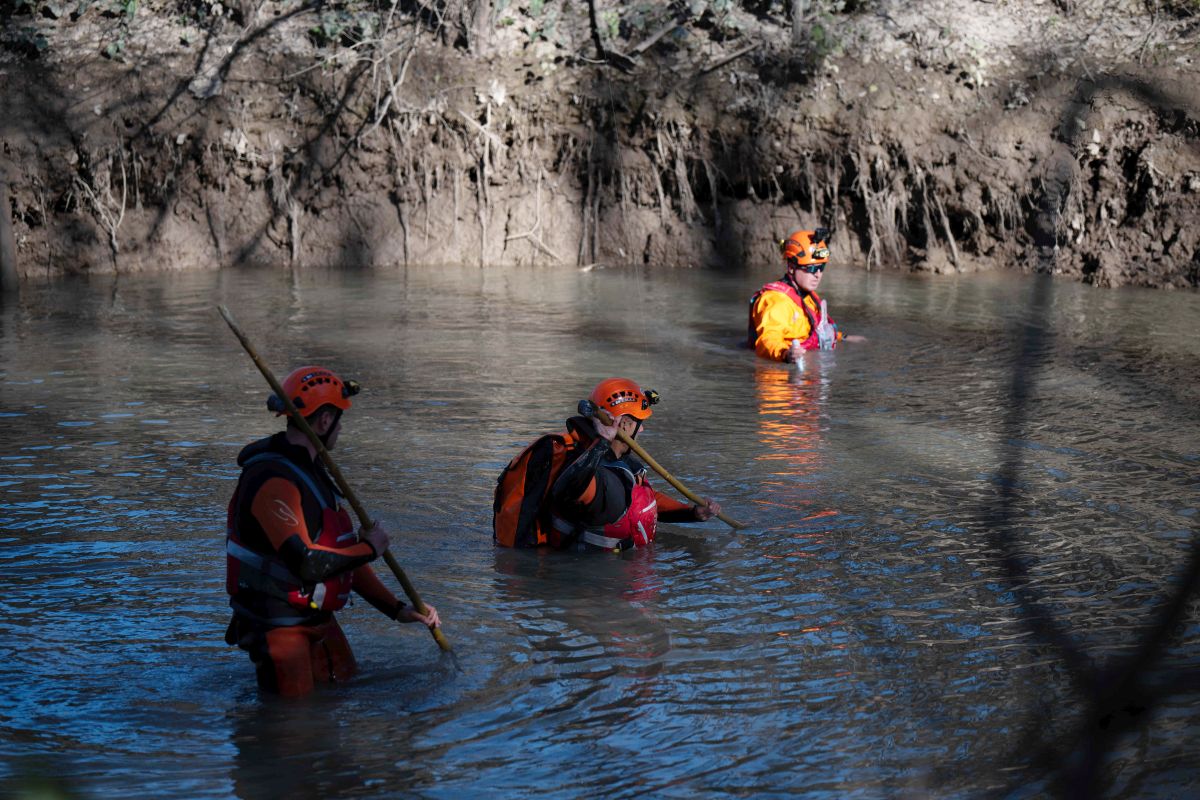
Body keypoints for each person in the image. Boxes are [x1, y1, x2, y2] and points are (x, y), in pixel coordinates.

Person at [224, 365, 440, 696]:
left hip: (313, 618)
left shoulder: (314, 473)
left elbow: (340, 555)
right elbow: (307, 564)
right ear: (325, 421)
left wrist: (397, 609)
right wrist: (371, 548)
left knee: (345, 689)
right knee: (295, 729)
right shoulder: (273, 480)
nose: (340, 429)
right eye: (339, 419)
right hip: (279, 625)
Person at [493, 378, 721, 552]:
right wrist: (602, 443)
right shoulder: (600, 476)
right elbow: (572, 489)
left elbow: (641, 502)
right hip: (592, 590)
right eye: (638, 424)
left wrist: (692, 513)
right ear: (624, 425)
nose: (641, 430)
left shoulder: (612, 463)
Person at [748, 227, 866, 362]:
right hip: (783, 374)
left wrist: (842, 338)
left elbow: (817, 329)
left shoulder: (807, 297)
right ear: (792, 268)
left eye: (821, 268)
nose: (818, 274)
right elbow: (768, 340)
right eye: (811, 268)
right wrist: (786, 354)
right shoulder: (775, 301)